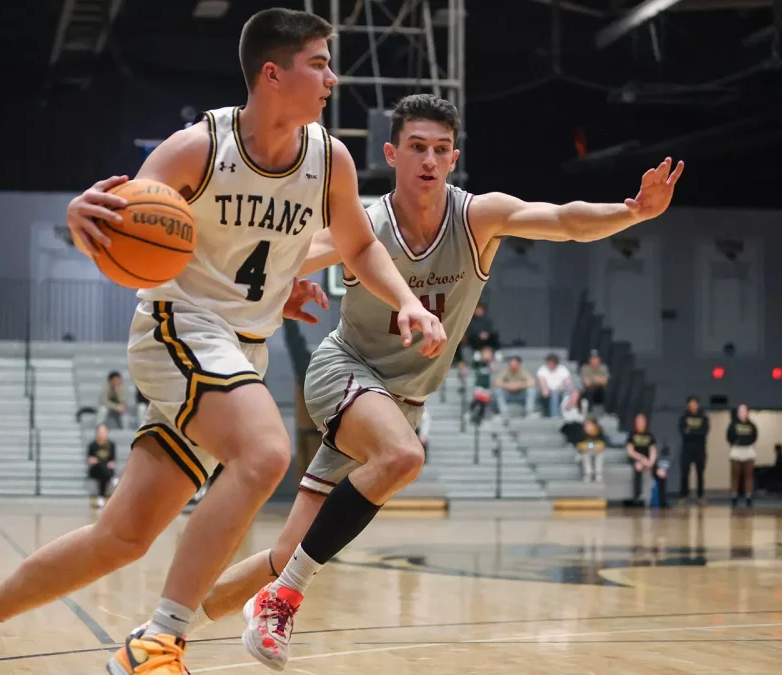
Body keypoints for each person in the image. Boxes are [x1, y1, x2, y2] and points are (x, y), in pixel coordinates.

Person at [0, 9, 447, 675]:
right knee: (266, 452)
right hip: (177, 329)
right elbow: (120, 219)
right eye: (319, 63)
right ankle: (159, 639)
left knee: (121, 536)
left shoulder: (329, 160)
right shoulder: (198, 147)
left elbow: (357, 245)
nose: (333, 76)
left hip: (241, 351)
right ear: (273, 74)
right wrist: (79, 221)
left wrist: (405, 301)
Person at [184, 94, 684, 670]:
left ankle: (166, 626)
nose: (428, 159)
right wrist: (279, 286)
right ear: (392, 154)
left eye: (440, 149)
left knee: (285, 549)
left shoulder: (478, 217)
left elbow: (564, 219)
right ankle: (285, 598)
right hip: (344, 371)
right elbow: (277, 258)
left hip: (404, 397)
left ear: (453, 159)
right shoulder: (364, 224)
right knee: (402, 457)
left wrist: (633, 213)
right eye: (417, 147)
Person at [677, 395, 709, 502]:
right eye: (691, 403)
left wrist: (690, 431)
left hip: (700, 450)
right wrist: (695, 432)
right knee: (685, 473)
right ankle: (683, 496)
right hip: (686, 450)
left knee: (700, 474)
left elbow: (704, 432)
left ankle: (700, 495)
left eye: (695, 403)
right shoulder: (684, 417)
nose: (693, 405)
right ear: (688, 405)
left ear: (698, 405)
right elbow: (682, 432)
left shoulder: (703, 417)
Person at [726, 403, 757, 507]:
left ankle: (748, 496)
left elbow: (754, 437)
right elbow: (729, 436)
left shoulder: (752, 425)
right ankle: (734, 496)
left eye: (744, 411)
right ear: (737, 413)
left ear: (748, 413)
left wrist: (746, 442)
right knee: (735, 475)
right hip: (736, 451)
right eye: (740, 411)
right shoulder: (733, 424)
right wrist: (737, 442)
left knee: (749, 475)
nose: (742, 413)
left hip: (748, 451)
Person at [625, 413, 658, 504]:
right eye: (638, 421)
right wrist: (642, 459)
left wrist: (651, 462)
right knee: (638, 467)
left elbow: (653, 451)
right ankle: (637, 496)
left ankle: (661, 499)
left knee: (661, 472)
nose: (640, 423)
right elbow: (630, 451)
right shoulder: (632, 435)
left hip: (648, 459)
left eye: (642, 421)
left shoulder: (650, 435)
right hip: (636, 458)